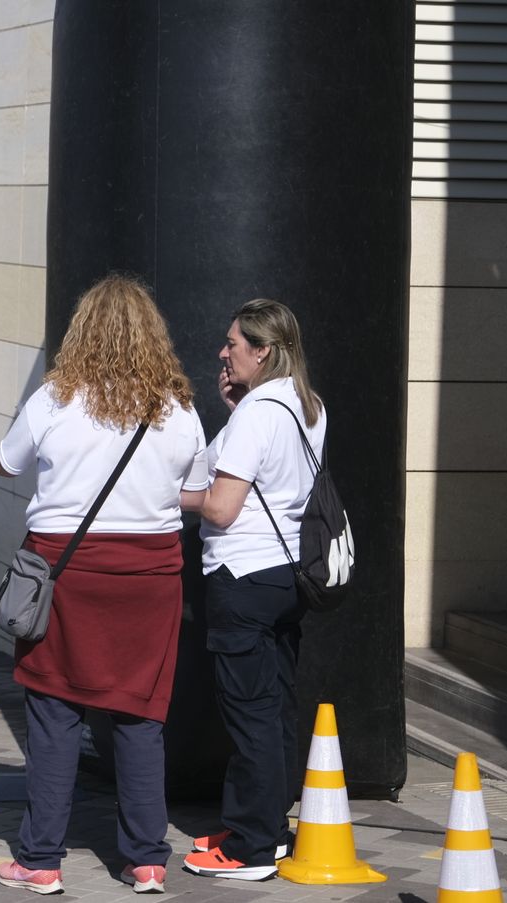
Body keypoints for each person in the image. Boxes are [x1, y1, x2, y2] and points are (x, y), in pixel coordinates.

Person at [0, 274, 208, 896]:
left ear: (80, 331)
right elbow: (191, 490)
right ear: (153, 336)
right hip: (151, 577)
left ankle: (39, 861)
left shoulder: (53, 399)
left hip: (66, 573)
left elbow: (7, 463)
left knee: (54, 712)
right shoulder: (179, 409)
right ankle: (145, 860)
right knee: (141, 716)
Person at [182, 299, 326, 881]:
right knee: (274, 710)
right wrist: (233, 412)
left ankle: (249, 848)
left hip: (242, 579)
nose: (223, 352)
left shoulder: (258, 414)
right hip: (287, 576)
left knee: (250, 717)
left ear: (262, 351)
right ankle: (270, 827)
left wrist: (173, 497)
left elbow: (219, 506)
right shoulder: (309, 406)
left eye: (234, 344)